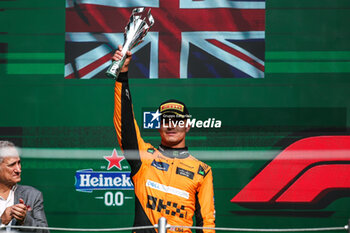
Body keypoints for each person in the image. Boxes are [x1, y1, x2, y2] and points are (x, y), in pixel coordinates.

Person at [112, 46, 215, 233]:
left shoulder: (202, 171)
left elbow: (206, 224)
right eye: (166, 120)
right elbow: (124, 122)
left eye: (177, 120)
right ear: (159, 125)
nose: (171, 125)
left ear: (187, 125)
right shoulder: (144, 157)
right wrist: (122, 76)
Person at [0, 141, 49, 232]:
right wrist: (1, 221)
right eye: (12, 165)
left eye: (19, 163)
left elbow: (45, 231)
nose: (18, 169)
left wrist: (24, 220)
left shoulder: (33, 195)